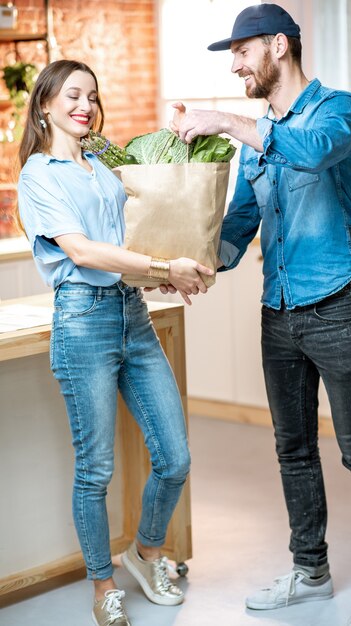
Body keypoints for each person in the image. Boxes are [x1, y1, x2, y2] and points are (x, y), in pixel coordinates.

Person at [171, 4, 351, 626]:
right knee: (293, 450)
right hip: (279, 313)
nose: (236, 65)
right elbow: (240, 223)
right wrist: (190, 262)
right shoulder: (257, 140)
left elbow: (314, 152)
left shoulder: (337, 111)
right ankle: (310, 572)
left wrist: (224, 120)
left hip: (338, 306)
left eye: (241, 52)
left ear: (277, 46)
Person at [17, 59, 213, 626]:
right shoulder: (38, 174)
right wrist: (161, 264)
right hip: (82, 322)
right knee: (95, 469)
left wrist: (169, 273)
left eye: (92, 96)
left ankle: (146, 553)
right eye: (72, 95)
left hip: (134, 313)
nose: (85, 105)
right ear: (45, 105)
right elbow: (82, 252)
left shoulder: (105, 159)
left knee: (175, 457)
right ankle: (103, 585)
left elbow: (149, 215)